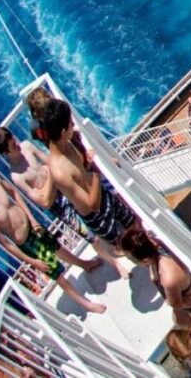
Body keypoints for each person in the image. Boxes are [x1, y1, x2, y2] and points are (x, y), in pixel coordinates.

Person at [0, 162, 105, 314]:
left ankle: (84, 264)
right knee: (56, 273)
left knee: (56, 247)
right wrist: (32, 261)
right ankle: (86, 304)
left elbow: (14, 193)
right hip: (26, 242)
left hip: (31, 225)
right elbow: (6, 244)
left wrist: (32, 219)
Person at [41, 99, 137, 277]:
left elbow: (82, 167)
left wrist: (90, 163)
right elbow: (91, 204)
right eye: (70, 123)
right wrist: (97, 174)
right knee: (127, 243)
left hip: (102, 193)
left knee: (134, 222)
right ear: (63, 131)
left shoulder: (67, 144)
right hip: (96, 215)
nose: (73, 125)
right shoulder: (59, 171)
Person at [0, 126, 95, 248]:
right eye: (13, 146)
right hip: (59, 206)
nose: (17, 144)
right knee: (89, 235)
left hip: (65, 187)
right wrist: (50, 174)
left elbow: (50, 162)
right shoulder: (16, 176)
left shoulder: (27, 146)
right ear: (6, 153)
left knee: (94, 214)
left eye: (14, 139)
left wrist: (46, 186)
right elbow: (45, 202)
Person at [120, 231, 191, 330]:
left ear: (144, 260)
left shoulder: (168, 279)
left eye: (131, 260)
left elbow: (177, 305)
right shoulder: (158, 244)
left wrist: (162, 290)